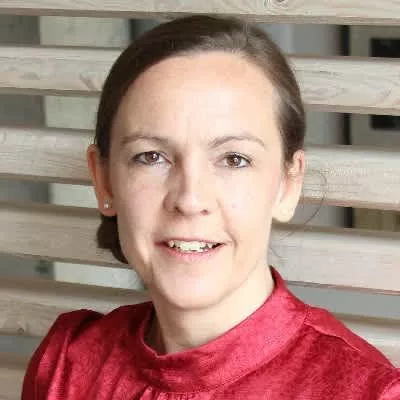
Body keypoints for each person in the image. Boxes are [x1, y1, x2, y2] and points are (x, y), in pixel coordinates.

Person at [22, 15, 399, 399]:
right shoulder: (66, 365)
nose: (190, 199)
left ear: (288, 184)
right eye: (151, 156)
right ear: (104, 180)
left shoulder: (369, 393)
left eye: (234, 159)